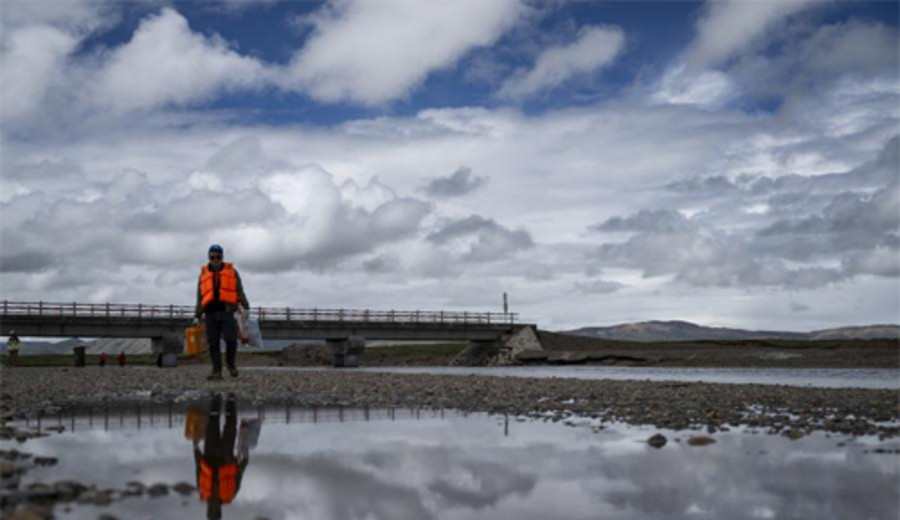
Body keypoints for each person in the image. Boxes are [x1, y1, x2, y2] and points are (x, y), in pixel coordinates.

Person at [194, 244, 250, 381]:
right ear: (209, 257)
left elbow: (239, 290)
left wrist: (246, 306)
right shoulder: (203, 274)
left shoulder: (232, 272)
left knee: (231, 340)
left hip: (227, 312)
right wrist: (197, 315)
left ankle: (231, 365)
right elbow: (200, 296)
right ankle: (216, 371)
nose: (215, 259)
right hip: (210, 314)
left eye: (218, 257)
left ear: (222, 257)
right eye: (213, 257)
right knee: (213, 343)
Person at [194, 393, 249, 519]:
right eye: (215, 511)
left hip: (209, 454)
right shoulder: (230, 495)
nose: (213, 508)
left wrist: (196, 450)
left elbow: (198, 470)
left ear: (208, 510)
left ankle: (216, 397)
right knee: (230, 425)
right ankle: (230, 399)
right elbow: (238, 476)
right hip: (226, 456)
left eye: (210, 511)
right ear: (219, 511)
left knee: (212, 422)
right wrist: (244, 461)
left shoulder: (203, 493)